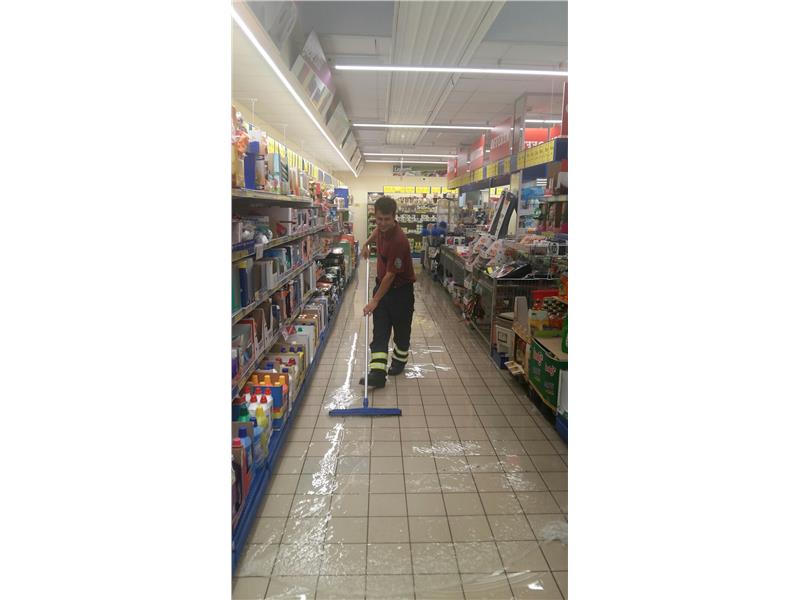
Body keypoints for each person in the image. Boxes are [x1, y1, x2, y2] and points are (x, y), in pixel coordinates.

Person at [359, 196, 416, 388]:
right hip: (382, 288)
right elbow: (376, 232)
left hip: (401, 292)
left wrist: (374, 300)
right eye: (379, 219)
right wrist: (366, 244)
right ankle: (377, 373)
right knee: (380, 331)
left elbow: (391, 276)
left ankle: (399, 361)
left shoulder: (399, 241)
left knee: (401, 332)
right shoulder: (381, 229)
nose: (382, 223)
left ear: (394, 217)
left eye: (387, 219)